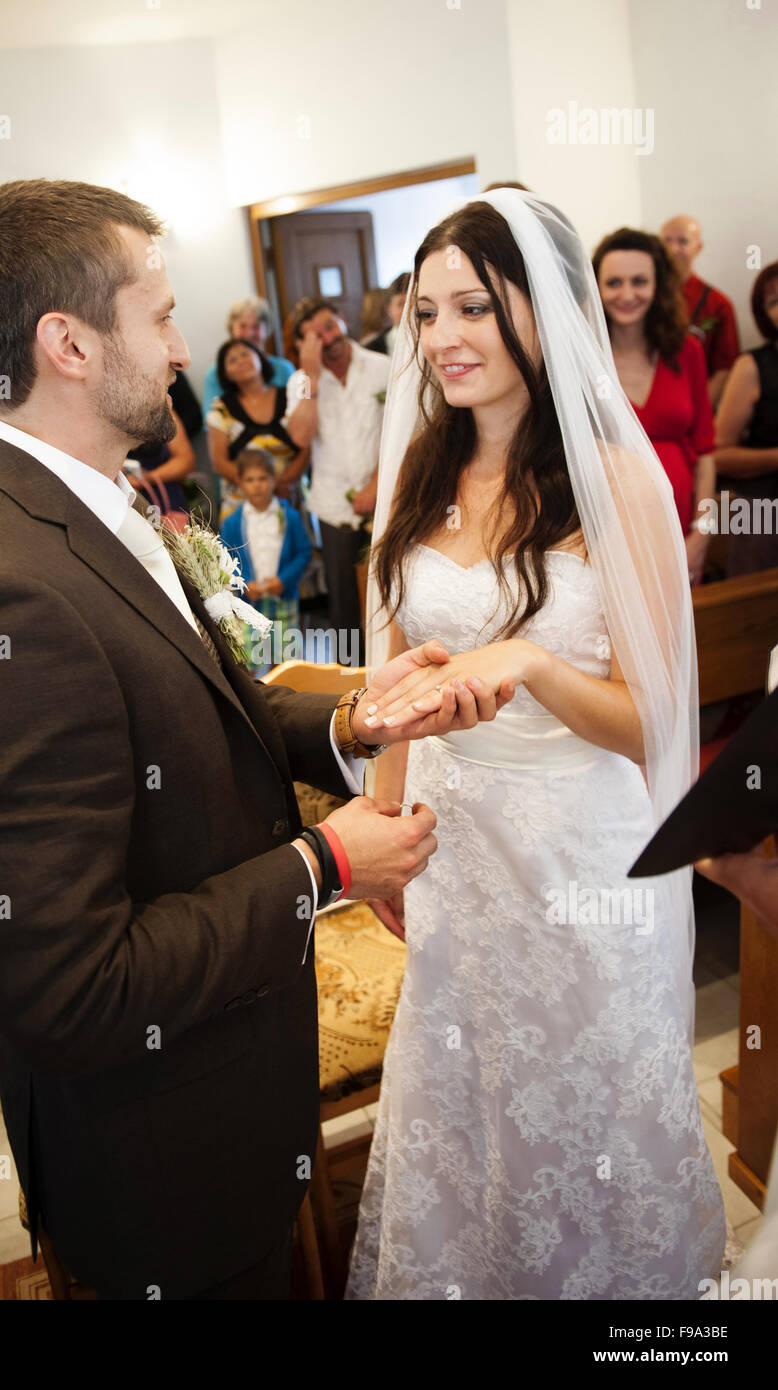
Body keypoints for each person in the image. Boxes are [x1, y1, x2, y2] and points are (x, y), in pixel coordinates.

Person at [0, 177, 513, 1302]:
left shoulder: (91, 501)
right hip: (157, 1158)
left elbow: (199, 702)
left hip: (224, 1083)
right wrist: (327, 865)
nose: (185, 346)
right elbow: (72, 987)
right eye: (161, 315)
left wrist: (352, 718)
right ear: (68, 343)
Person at [345, 190, 725, 1300]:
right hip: (455, 852)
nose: (444, 338)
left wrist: (537, 667)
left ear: (542, 310)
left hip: (587, 859)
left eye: (473, 306)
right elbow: (392, 676)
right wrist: (383, 813)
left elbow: (658, 722)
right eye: (425, 313)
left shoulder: (614, 481)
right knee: (470, 1109)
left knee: (594, 1101)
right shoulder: (417, 469)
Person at [593, 227, 716, 584]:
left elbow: (706, 451)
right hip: (608, 533)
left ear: (657, 285)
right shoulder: (585, 363)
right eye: (614, 283)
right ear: (595, 287)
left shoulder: (686, 351)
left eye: (639, 281)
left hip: (680, 525)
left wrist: (702, 534)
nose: (627, 294)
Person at [284, 298, 391, 661]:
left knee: (392, 595)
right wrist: (312, 379)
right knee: (344, 606)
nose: (327, 338)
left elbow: (407, 433)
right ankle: (350, 681)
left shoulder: (383, 367)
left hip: (389, 499)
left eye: (330, 326)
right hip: (333, 508)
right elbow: (299, 436)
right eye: (315, 335)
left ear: (343, 322)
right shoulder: (299, 382)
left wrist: (377, 484)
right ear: (303, 344)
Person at [220, 449, 312, 672]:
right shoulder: (232, 523)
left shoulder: (289, 516)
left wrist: (284, 580)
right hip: (250, 604)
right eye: (250, 480)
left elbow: (303, 552)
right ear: (240, 483)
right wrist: (244, 584)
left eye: (263, 478)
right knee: (247, 660)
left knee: (286, 662)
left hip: (282, 599)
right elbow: (226, 561)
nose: (257, 485)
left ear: (273, 480)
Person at [713, 260, 778, 576]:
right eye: (775, 301)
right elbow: (720, 456)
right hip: (762, 512)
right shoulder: (751, 366)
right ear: (763, 313)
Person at [205, 338, 305, 523]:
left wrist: (284, 483)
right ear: (225, 373)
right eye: (232, 360)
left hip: (288, 497)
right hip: (241, 505)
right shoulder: (221, 408)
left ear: (260, 358)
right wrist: (265, 488)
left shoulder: (290, 396)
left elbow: (308, 445)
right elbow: (219, 462)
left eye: (245, 354)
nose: (241, 361)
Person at [660, 215, 740, 408]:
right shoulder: (641, 298)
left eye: (683, 241)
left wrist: (697, 412)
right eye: (667, 241)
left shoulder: (718, 304)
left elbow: (724, 370)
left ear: (698, 247)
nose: (673, 248)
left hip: (695, 404)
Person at [201, 297, 294, 418]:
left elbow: (299, 409)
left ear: (267, 329)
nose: (249, 333)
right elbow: (211, 422)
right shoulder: (214, 376)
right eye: (242, 326)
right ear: (232, 329)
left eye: (256, 326)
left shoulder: (284, 369)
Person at [365, 273, 411, 356]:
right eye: (401, 303)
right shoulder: (372, 350)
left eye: (413, 301)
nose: (409, 309)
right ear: (389, 309)